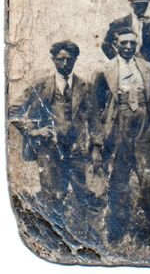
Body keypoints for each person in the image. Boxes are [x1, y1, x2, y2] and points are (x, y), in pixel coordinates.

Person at [9, 41, 101, 243]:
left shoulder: (85, 86)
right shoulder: (42, 84)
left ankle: (93, 242)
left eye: (70, 59)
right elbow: (13, 110)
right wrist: (33, 131)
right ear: (53, 60)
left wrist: (96, 147)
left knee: (87, 195)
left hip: (77, 151)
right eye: (60, 59)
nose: (65, 63)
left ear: (75, 60)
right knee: (53, 196)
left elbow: (94, 120)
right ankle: (54, 241)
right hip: (49, 152)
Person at [93, 27, 150, 243]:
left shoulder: (148, 67)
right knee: (119, 180)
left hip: (144, 128)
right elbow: (97, 106)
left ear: (137, 44)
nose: (128, 47)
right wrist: (99, 139)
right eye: (123, 43)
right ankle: (117, 231)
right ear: (115, 44)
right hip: (119, 129)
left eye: (132, 43)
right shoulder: (104, 70)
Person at [101, 0, 150, 88]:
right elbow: (105, 44)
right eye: (139, 5)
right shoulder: (120, 23)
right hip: (124, 66)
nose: (142, 9)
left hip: (149, 65)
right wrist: (119, 59)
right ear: (132, 5)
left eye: (145, 5)